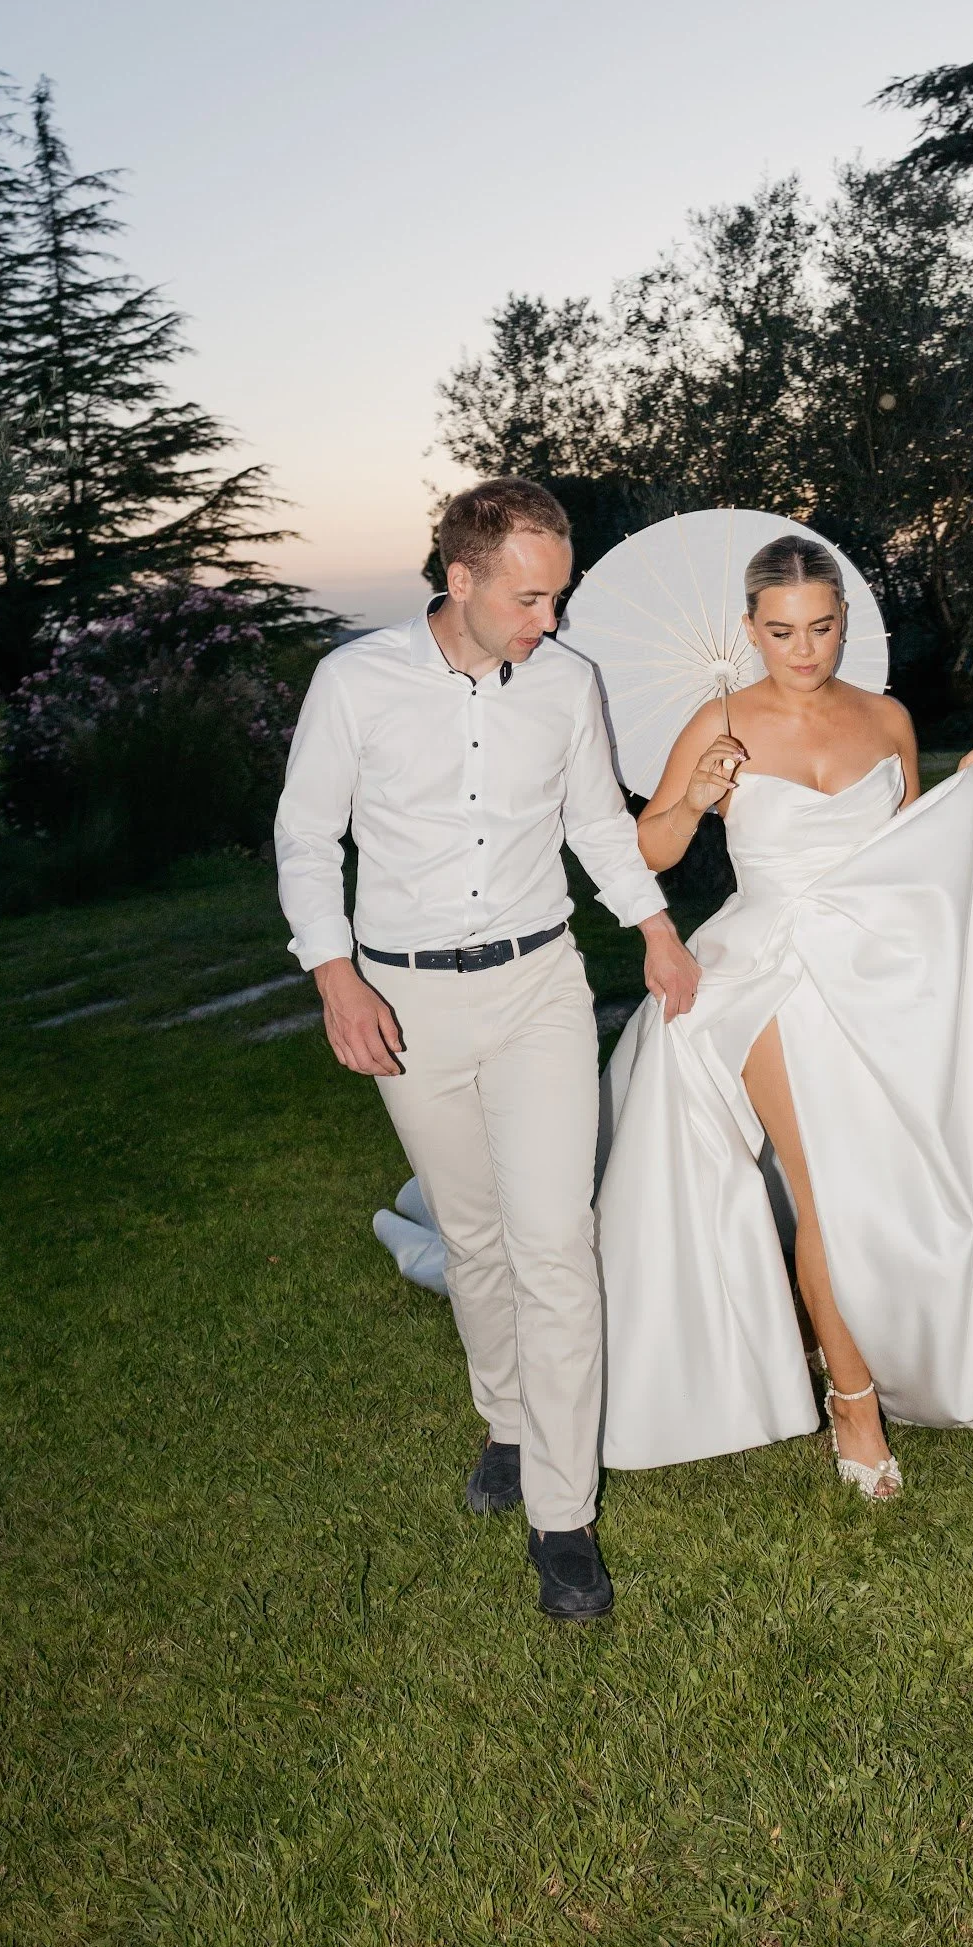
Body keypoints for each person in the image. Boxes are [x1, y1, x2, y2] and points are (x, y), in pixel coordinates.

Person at [595, 533, 973, 1495]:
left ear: (844, 623)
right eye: (783, 630)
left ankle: (940, 1329)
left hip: (886, 963)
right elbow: (649, 852)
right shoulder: (714, 722)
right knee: (828, 1185)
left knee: (925, 1168)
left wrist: (970, 796)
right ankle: (852, 1404)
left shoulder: (885, 718)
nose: (804, 649)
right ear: (749, 628)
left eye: (823, 627)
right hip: (770, 970)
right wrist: (695, 797)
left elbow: (911, 851)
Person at [274, 477, 698, 1619]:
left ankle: (564, 1517)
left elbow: (595, 825)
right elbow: (306, 837)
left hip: (538, 988)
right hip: (406, 1002)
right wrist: (334, 976)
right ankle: (507, 1421)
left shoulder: (568, 683)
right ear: (457, 580)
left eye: (554, 595)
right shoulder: (352, 683)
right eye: (528, 596)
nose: (547, 619)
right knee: (473, 1238)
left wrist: (654, 928)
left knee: (555, 1240)